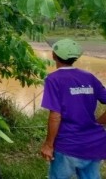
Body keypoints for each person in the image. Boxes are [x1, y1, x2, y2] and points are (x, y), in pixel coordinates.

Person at [41, 38, 106, 179]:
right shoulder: (89, 77)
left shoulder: (53, 79)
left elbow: (55, 116)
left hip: (68, 145)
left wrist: (48, 145)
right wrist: (99, 122)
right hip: (94, 143)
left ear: (53, 55)